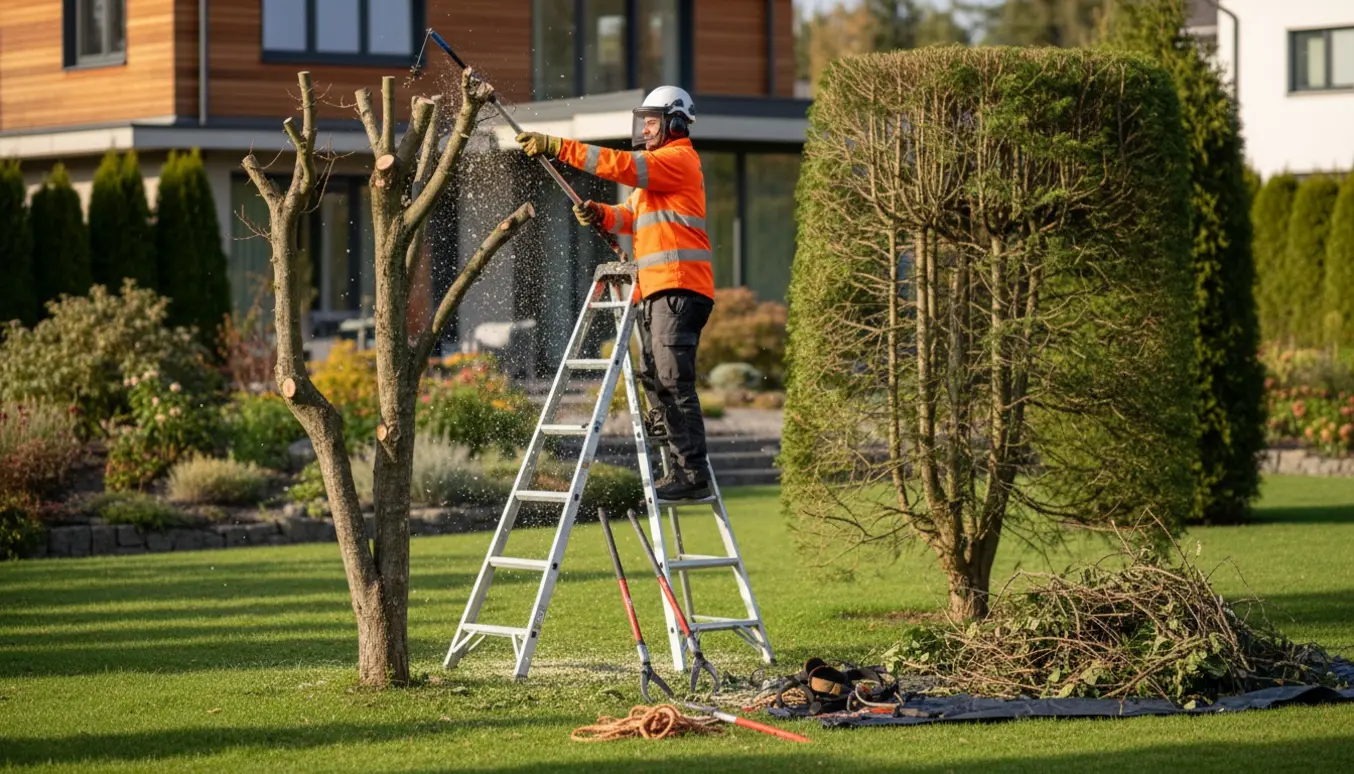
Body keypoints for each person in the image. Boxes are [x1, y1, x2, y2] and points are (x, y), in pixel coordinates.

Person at [516, 86, 715, 501]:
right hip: (658, 291)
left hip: (678, 288)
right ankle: (676, 455)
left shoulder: (677, 160)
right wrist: (602, 214)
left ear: (675, 123)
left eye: (652, 121)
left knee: (674, 381)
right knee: (655, 377)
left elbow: (619, 165)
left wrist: (558, 146)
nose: (644, 129)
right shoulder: (657, 175)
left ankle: (692, 474)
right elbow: (632, 218)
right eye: (643, 121)